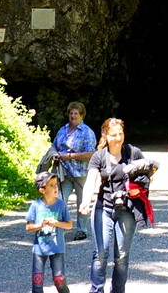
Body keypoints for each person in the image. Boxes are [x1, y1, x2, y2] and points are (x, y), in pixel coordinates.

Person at [85, 117, 156, 293]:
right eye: (113, 134)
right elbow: (90, 180)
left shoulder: (133, 153)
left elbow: (149, 174)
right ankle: (96, 290)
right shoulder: (99, 156)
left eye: (120, 134)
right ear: (105, 136)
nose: (118, 138)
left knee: (122, 257)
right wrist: (85, 202)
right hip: (104, 207)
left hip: (127, 209)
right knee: (100, 255)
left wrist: (138, 189)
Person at [52, 101, 97, 241]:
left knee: (82, 202)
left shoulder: (87, 132)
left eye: (76, 113)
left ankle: (82, 230)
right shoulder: (62, 130)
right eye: (71, 113)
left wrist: (70, 156)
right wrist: (54, 154)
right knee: (59, 200)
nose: (73, 116)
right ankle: (58, 229)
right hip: (63, 173)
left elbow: (91, 154)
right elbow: (53, 146)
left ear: (82, 115)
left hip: (81, 173)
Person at [24, 171, 74, 293]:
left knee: (59, 279)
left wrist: (56, 223)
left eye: (56, 184)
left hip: (57, 248)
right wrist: (41, 225)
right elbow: (28, 227)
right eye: (51, 185)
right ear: (42, 190)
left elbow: (69, 225)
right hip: (39, 249)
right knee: (37, 280)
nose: (55, 187)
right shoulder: (36, 205)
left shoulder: (61, 205)